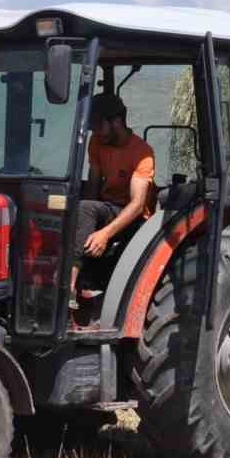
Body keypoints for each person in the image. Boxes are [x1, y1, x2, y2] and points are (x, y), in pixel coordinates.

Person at [71, 92, 156, 309]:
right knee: (74, 205)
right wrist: (82, 221)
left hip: (132, 216)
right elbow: (92, 187)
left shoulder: (142, 152)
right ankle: (77, 276)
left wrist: (104, 234)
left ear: (116, 121)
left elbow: (137, 205)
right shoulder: (97, 142)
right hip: (106, 207)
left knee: (87, 209)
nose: (95, 132)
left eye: (98, 126)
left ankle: (68, 287)